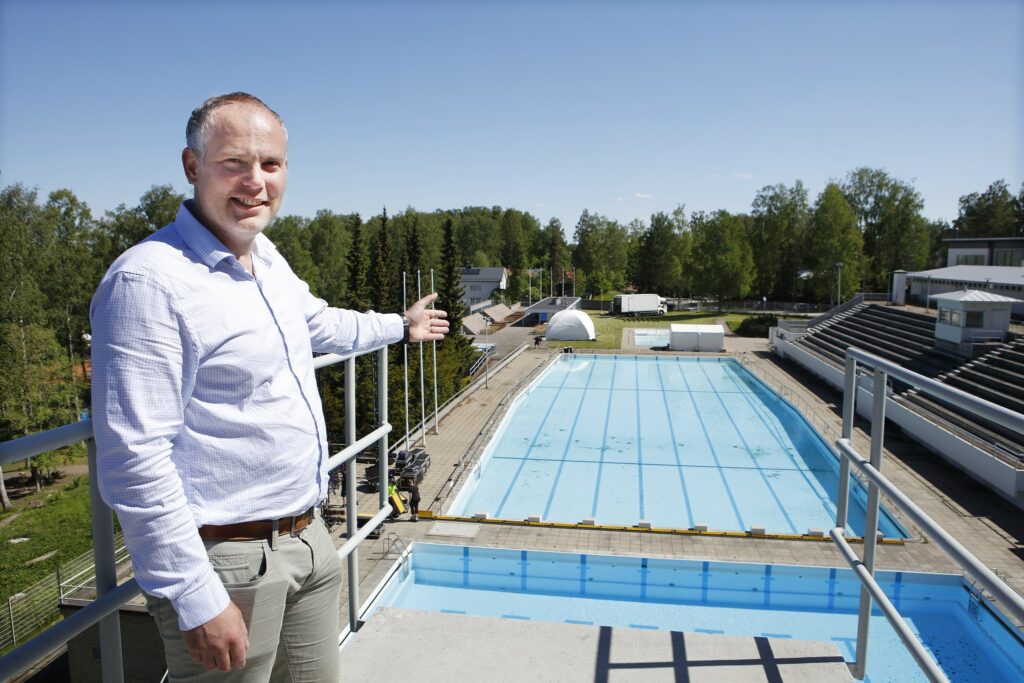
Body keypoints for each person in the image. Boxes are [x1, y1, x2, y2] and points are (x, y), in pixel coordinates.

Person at [90, 92, 449, 682]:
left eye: (272, 164)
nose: (255, 181)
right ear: (191, 166)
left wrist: (400, 328)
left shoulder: (266, 257)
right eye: (234, 162)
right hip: (226, 564)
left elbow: (321, 323)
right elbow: (133, 459)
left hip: (308, 539)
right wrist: (195, 594)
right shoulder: (148, 282)